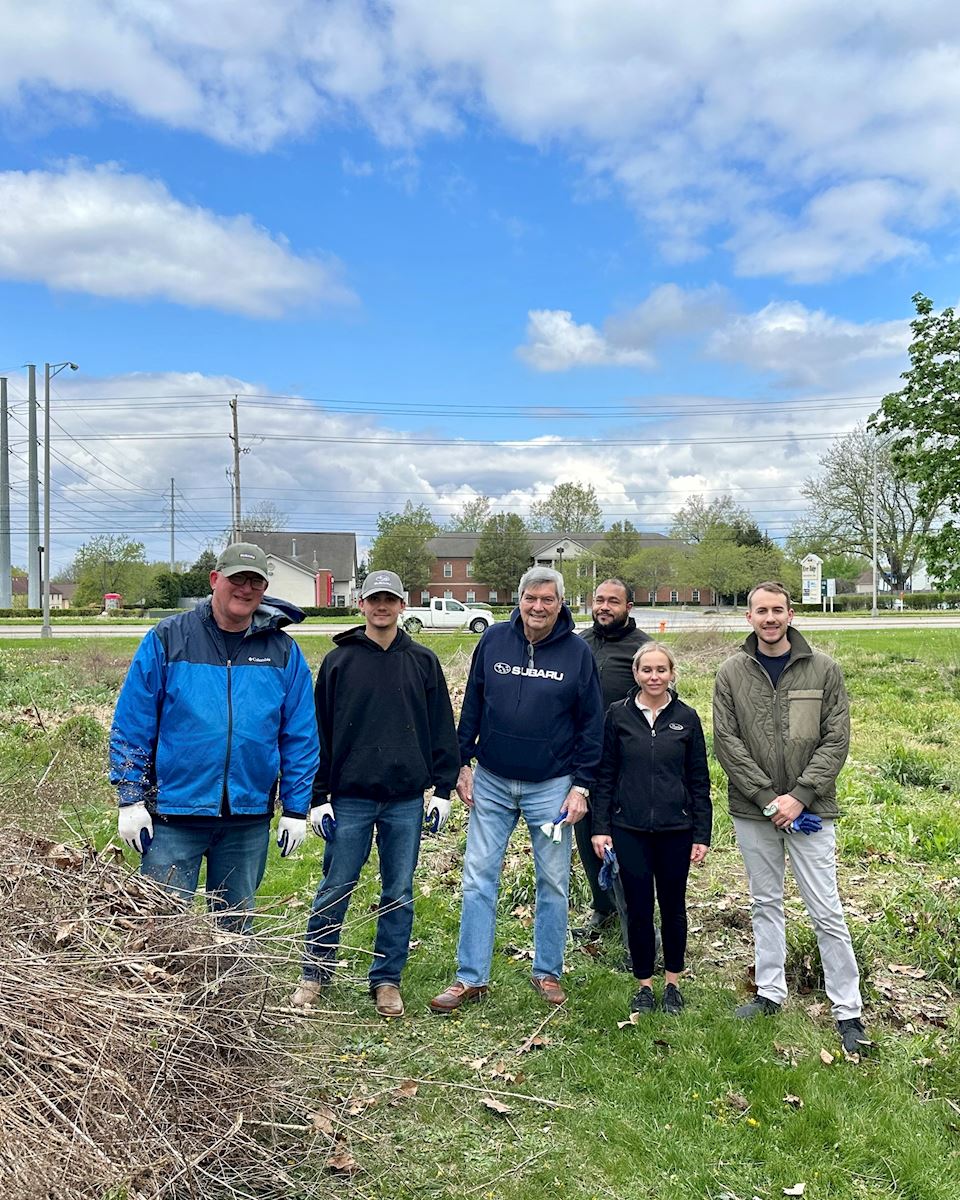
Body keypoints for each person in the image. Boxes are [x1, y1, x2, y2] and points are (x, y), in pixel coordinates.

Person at [110, 542, 319, 932]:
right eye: (236, 578)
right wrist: (130, 798)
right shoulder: (168, 639)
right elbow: (133, 722)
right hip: (175, 814)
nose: (245, 588)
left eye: (255, 581)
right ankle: (160, 994)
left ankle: (229, 994)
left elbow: (300, 736)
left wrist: (295, 808)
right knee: (161, 928)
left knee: (234, 933)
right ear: (214, 580)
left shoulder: (283, 652)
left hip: (247, 816)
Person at [430, 566, 604, 1013]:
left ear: (560, 603)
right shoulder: (493, 641)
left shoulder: (577, 653)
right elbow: (472, 702)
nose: (538, 607)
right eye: (531, 598)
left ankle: (547, 971)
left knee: (553, 881)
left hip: (551, 790)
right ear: (519, 599)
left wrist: (581, 786)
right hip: (490, 782)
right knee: (478, 877)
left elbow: (591, 725)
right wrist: (460, 764)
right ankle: (471, 977)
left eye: (548, 600)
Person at [292, 570, 459, 1018]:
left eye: (390, 599)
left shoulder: (422, 662)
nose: (381, 606)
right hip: (350, 798)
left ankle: (387, 978)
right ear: (361, 605)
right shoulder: (339, 663)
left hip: (405, 799)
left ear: (402, 606)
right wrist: (317, 796)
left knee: (398, 891)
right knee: (336, 885)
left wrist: (442, 789)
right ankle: (315, 972)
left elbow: (442, 726)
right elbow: (318, 733)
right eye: (373, 599)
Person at [712, 581, 869, 1056]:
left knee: (827, 910)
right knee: (765, 902)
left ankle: (848, 1011)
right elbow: (727, 741)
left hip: (811, 811)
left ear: (790, 613)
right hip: (754, 812)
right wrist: (766, 798)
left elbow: (835, 740)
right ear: (749, 617)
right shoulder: (731, 673)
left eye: (777, 610)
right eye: (761, 611)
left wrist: (799, 797)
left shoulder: (824, 670)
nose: (770, 618)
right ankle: (770, 992)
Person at [592, 642, 711, 1015]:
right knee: (640, 908)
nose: (654, 677)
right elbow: (605, 775)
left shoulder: (687, 718)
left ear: (672, 673)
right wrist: (601, 827)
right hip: (629, 828)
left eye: (661, 670)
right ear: (636, 674)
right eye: (647, 670)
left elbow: (698, 781)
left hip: (677, 829)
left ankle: (672, 983)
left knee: (673, 907)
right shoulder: (618, 715)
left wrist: (701, 834)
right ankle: (643, 984)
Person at [577, 578, 651, 943]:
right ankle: (602, 910)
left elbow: (660, 704)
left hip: (625, 767)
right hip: (581, 765)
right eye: (600, 600)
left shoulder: (643, 650)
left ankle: (636, 929)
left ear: (629, 607)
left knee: (622, 851)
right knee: (587, 839)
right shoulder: (579, 644)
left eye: (614, 602)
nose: (605, 607)